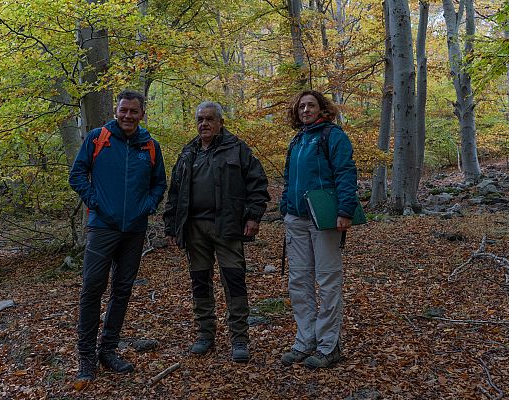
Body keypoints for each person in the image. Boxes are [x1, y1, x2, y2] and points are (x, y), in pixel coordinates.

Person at [69, 90, 167, 381]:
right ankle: (86, 357)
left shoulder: (149, 145)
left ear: (142, 113)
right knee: (92, 290)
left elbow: (159, 183)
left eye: (133, 111)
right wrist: (95, 202)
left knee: (122, 290)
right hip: (102, 227)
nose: (127, 116)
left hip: (134, 230)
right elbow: (77, 175)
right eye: (123, 110)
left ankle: (108, 349)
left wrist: (147, 207)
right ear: (116, 110)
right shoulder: (99, 138)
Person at [163, 101, 269, 363]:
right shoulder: (188, 153)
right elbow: (174, 192)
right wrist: (171, 226)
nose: (204, 124)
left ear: (220, 122)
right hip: (194, 228)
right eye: (200, 119)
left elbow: (258, 184)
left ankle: (240, 339)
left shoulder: (238, 149)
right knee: (200, 280)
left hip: (228, 227)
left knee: (234, 279)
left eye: (210, 119)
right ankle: (204, 334)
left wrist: (253, 216)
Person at [279, 90, 358, 369]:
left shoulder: (333, 136)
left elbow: (346, 172)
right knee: (299, 282)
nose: (305, 110)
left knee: (327, 282)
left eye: (311, 105)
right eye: (301, 106)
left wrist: (345, 210)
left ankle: (328, 346)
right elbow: (288, 177)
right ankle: (305, 341)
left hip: (324, 219)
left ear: (322, 108)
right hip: (296, 219)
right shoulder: (298, 139)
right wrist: (285, 206)